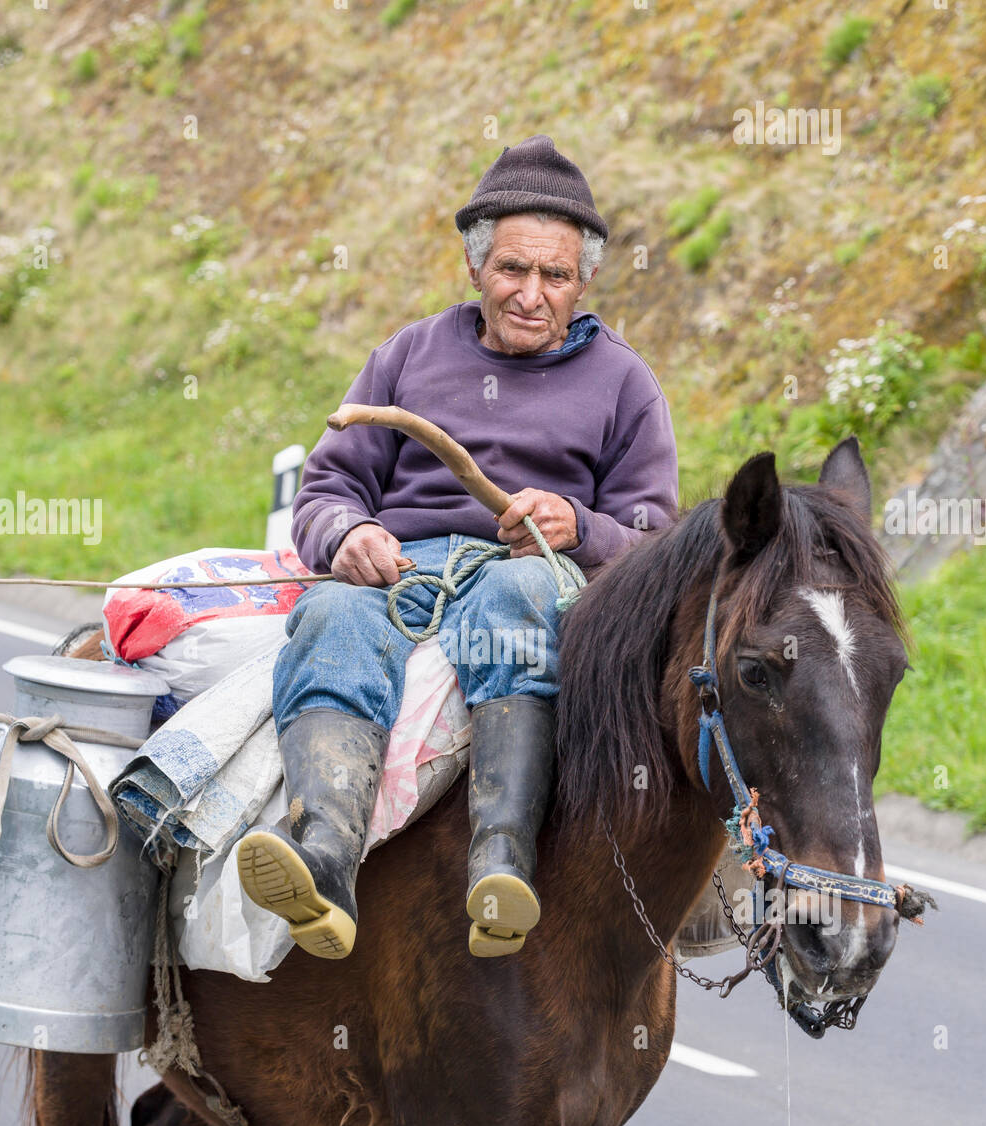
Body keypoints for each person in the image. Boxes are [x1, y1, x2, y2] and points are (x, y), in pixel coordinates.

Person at [237, 134, 679, 961]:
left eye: (555, 275)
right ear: (475, 267)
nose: (530, 294)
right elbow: (327, 491)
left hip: (527, 579)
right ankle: (323, 858)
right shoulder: (408, 354)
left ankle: (502, 861)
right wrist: (350, 533)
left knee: (516, 601)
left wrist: (577, 528)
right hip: (398, 575)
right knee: (330, 612)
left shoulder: (626, 384)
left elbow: (655, 543)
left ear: (583, 282)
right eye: (512, 269)